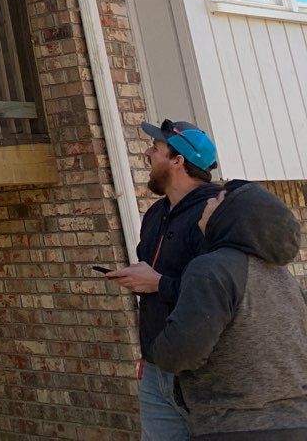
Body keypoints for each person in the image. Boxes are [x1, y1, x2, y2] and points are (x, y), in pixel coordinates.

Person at [149, 180, 307, 438]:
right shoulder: (283, 278)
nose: (207, 204)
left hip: (234, 425)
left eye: (216, 200)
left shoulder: (211, 269)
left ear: (232, 214)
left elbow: (181, 352)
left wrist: (159, 349)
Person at [105, 119, 221, 441]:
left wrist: (158, 283)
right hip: (156, 370)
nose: (147, 153)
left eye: (155, 149)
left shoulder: (215, 214)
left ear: (177, 161)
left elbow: (222, 291)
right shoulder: (156, 213)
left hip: (204, 373)